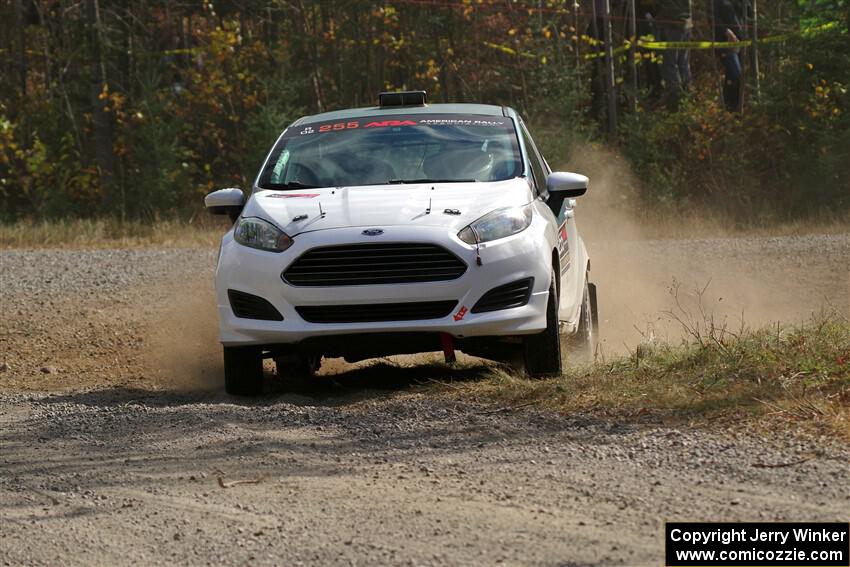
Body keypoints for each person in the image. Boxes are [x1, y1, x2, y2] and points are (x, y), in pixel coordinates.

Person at [656, 0, 692, 110]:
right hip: (685, 23)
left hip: (671, 23)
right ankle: (686, 98)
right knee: (683, 63)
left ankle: (675, 102)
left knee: (670, 64)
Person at [712, 0, 745, 111]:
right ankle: (734, 109)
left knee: (731, 76)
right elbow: (712, 18)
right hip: (724, 42)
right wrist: (727, 31)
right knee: (736, 74)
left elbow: (748, 11)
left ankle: (728, 108)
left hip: (740, 40)